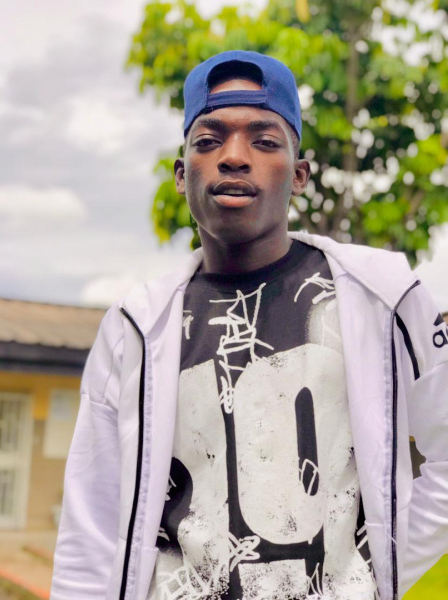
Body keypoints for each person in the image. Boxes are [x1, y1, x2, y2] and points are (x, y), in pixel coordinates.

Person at [50, 51, 448, 600]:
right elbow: (89, 526)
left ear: (299, 175)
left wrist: (381, 572)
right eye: (208, 140)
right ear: (182, 174)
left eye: (264, 141)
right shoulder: (135, 328)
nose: (235, 157)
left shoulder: (382, 296)